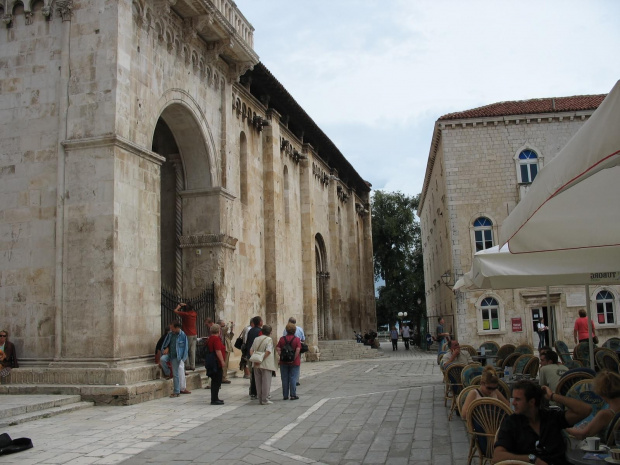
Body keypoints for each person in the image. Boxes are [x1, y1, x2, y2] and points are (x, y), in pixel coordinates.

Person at [492, 380, 592, 465]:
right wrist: (531, 458)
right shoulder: (512, 423)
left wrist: (553, 396)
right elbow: (497, 456)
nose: (513, 403)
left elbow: (586, 410)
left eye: (518, 399)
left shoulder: (552, 417)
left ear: (532, 402)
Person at [565, 370, 620, 442]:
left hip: (606, 449)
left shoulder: (605, 414)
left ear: (601, 390)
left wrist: (564, 427)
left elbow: (582, 434)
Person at [159, 322, 189, 398]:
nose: (171, 329)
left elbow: (185, 347)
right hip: (170, 354)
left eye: (172, 328)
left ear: (176, 328)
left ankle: (176, 391)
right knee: (162, 359)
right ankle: (168, 373)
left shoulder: (182, 335)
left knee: (176, 374)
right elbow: (167, 343)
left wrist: (183, 358)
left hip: (176, 356)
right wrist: (166, 348)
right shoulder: (170, 334)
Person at [250, 324, 276, 405]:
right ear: (270, 332)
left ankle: (260, 398)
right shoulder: (269, 340)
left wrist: (255, 358)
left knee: (258, 382)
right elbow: (268, 351)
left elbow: (251, 350)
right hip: (265, 364)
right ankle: (265, 399)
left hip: (256, 363)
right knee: (266, 382)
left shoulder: (256, 339)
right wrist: (261, 359)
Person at [277, 323, 302, 400]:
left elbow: (278, 348)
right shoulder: (297, 339)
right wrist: (293, 358)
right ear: (294, 331)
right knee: (293, 377)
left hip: (283, 362)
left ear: (286, 330)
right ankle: (293, 394)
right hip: (294, 362)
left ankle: (285, 395)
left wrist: (282, 356)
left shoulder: (282, 339)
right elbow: (298, 349)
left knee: (284, 378)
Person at [173, 302, 197, 370]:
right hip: (194, 333)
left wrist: (179, 306)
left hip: (188, 334)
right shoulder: (194, 314)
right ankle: (193, 365)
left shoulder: (186, 314)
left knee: (185, 349)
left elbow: (175, 311)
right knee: (192, 350)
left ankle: (187, 365)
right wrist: (186, 305)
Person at [206, 324, 226, 405]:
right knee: (217, 381)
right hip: (216, 362)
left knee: (215, 381)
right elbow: (218, 350)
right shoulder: (216, 339)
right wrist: (222, 361)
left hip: (212, 361)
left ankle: (215, 397)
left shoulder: (210, 338)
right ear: (219, 331)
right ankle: (214, 399)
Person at [245, 316, 263, 399]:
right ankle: (256, 391)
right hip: (257, 355)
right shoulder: (260, 331)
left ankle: (252, 391)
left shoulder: (250, 330)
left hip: (250, 354)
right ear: (259, 322)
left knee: (253, 374)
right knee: (258, 374)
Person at [218, 319, 234, 384]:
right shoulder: (220, 330)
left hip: (227, 348)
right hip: (222, 348)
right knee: (223, 363)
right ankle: (222, 377)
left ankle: (224, 376)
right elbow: (225, 329)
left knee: (226, 363)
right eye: (223, 324)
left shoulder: (224, 330)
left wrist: (232, 328)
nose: (224, 325)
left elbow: (230, 337)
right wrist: (229, 324)